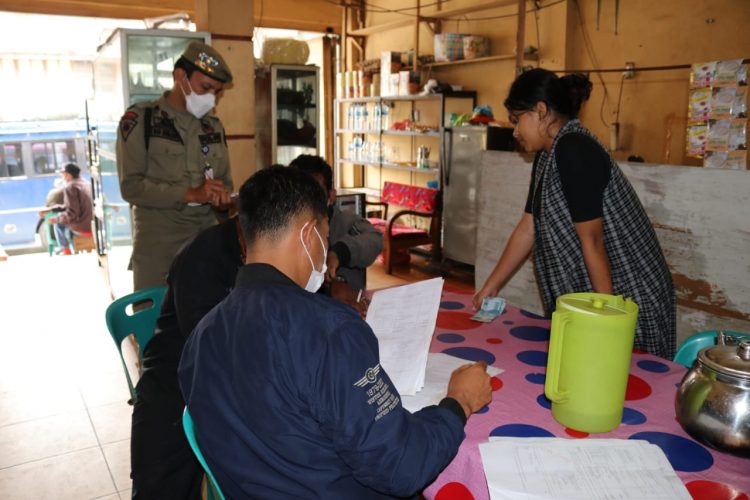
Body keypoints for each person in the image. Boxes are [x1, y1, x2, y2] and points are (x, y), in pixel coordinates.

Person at [179, 166, 492, 498]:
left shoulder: (201, 337)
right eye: (325, 238)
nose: (324, 249)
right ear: (309, 233)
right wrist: (459, 402)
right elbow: (402, 465)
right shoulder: (329, 331)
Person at [474, 68, 676, 359]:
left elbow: (592, 240)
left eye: (518, 121)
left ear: (541, 110)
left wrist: (607, 321)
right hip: (602, 292)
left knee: (622, 380)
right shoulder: (547, 155)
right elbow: (529, 226)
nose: (515, 132)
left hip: (628, 292)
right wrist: (490, 286)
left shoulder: (574, 149)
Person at [116, 41, 234, 290]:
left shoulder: (213, 127)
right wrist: (190, 194)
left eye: (216, 92)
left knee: (206, 322)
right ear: (181, 76)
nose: (211, 99)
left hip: (205, 244)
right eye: (206, 88)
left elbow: (225, 184)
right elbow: (131, 187)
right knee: (155, 324)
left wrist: (223, 201)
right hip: (159, 250)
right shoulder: (141, 120)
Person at [289, 154, 383, 292]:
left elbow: (375, 239)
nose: (309, 202)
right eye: (301, 194)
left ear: (331, 196)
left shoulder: (345, 221)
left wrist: (340, 252)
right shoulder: (287, 229)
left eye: (317, 194)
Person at [38, 163, 93, 255]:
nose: (62, 177)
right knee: (60, 218)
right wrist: (51, 209)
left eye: (63, 174)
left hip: (82, 226)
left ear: (68, 175)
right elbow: (70, 206)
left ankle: (66, 249)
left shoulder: (70, 187)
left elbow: (72, 212)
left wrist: (57, 219)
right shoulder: (86, 183)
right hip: (91, 223)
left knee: (58, 224)